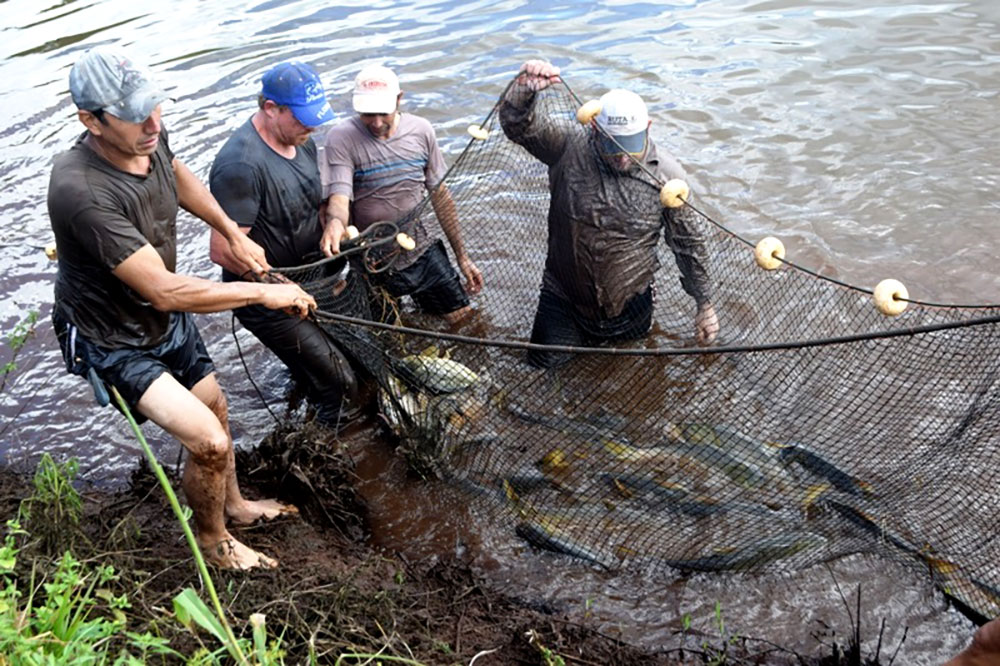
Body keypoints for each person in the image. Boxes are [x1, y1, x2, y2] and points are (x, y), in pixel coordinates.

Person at [48, 47, 317, 570]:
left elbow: (174, 173)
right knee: (210, 442)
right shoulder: (80, 190)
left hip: (161, 318)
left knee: (216, 404)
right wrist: (263, 291)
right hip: (112, 335)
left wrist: (228, 233)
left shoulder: (148, 133)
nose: (154, 124)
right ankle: (214, 544)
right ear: (91, 121)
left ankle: (235, 507)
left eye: (157, 109)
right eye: (135, 116)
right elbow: (165, 290)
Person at [498, 59, 719, 368]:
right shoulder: (566, 147)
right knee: (540, 374)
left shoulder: (668, 178)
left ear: (648, 128)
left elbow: (689, 244)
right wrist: (524, 90)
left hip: (629, 303)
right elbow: (517, 125)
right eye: (612, 145)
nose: (622, 156)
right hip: (563, 298)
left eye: (630, 145)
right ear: (594, 128)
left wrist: (704, 305)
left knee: (624, 380)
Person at [209, 61, 361, 427]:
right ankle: (331, 449)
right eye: (303, 118)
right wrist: (279, 289)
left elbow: (321, 201)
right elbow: (223, 249)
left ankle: (306, 396)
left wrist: (334, 222)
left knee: (344, 362)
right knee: (341, 383)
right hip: (267, 296)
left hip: (311, 279)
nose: (312, 126)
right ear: (270, 109)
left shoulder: (301, 141)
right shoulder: (241, 165)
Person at [319, 64, 483, 326]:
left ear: (399, 99)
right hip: (372, 261)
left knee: (465, 322)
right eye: (367, 114)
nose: (376, 122)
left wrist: (462, 257)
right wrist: (335, 222)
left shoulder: (421, 130)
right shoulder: (341, 138)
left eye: (383, 112)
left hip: (421, 249)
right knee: (385, 332)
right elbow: (339, 197)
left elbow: (440, 196)